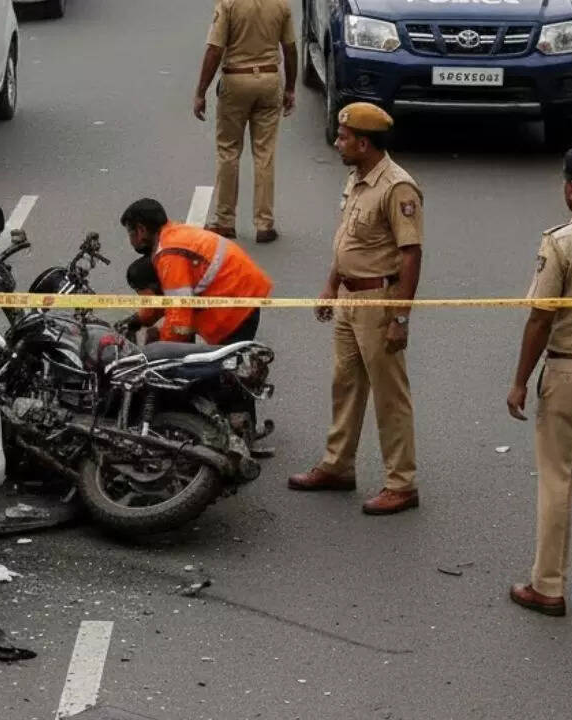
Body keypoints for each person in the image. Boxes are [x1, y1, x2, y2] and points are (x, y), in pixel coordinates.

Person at [288, 102, 423, 516]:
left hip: (378, 301)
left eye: (344, 137)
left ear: (364, 143)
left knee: (389, 395)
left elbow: (411, 255)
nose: (337, 142)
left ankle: (401, 483)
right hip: (349, 298)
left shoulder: (397, 187)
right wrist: (331, 285)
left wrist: (400, 316)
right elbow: (350, 240)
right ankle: (337, 465)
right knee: (345, 384)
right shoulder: (357, 179)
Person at [504, 146, 572, 618]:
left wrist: (520, 380)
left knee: (558, 481)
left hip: (569, 368)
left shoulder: (560, 242)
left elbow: (540, 319)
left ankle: (548, 585)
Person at [193, 0, 297, 244]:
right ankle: (264, 223)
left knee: (228, 149)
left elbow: (215, 50)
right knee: (265, 153)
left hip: (236, 80)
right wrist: (290, 88)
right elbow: (290, 48)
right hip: (270, 79)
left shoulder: (228, 3)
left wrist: (201, 92)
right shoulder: (281, 4)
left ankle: (225, 220)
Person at [118, 198, 272, 346]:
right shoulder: (173, 233)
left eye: (130, 234)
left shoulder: (170, 256)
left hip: (234, 308)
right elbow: (170, 302)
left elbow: (180, 324)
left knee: (214, 367)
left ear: (141, 230)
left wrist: (158, 348)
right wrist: (139, 320)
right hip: (241, 292)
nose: (131, 241)